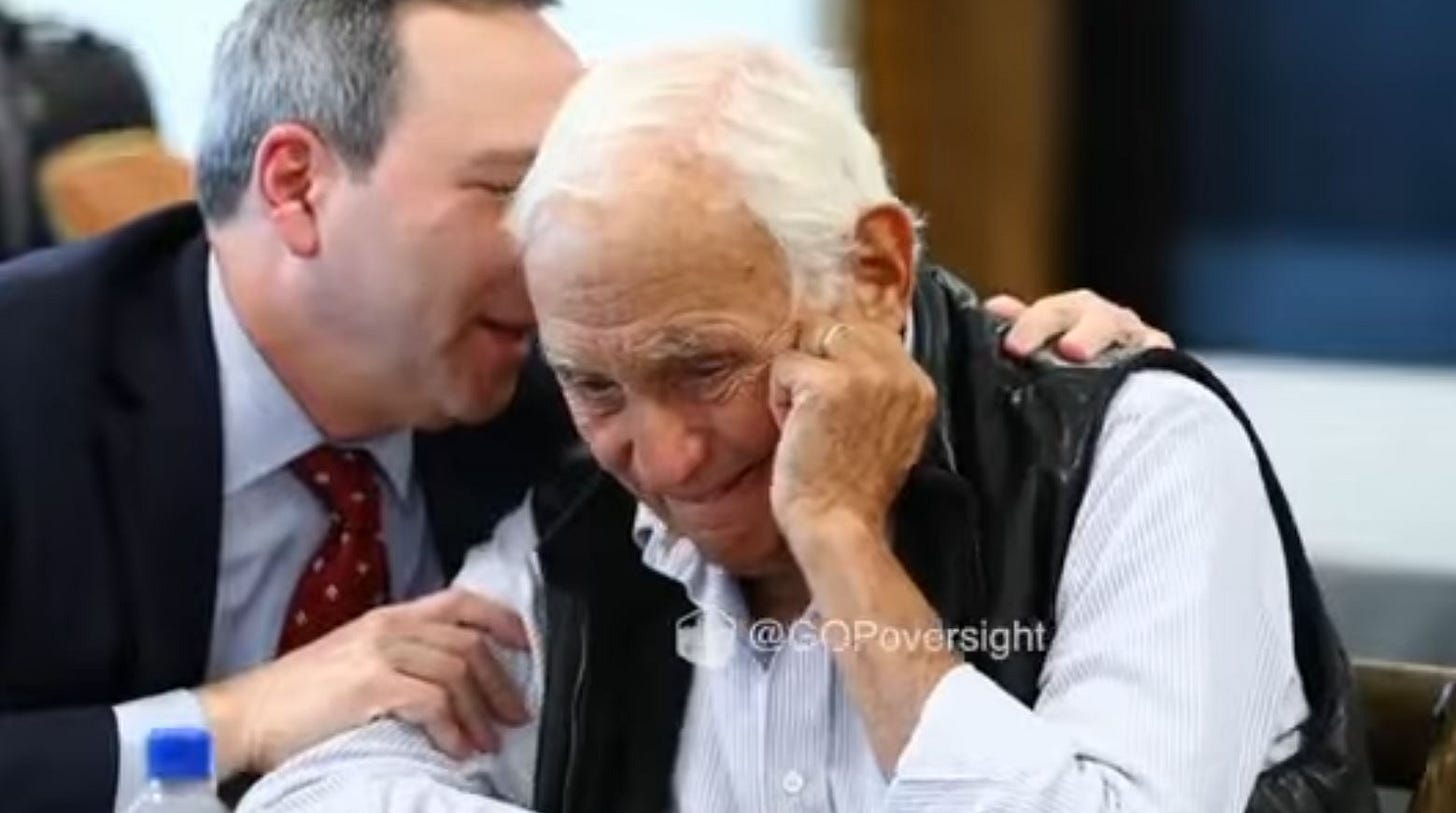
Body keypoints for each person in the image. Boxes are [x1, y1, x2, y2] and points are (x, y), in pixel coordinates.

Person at [0, 0, 1171, 812]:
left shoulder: (582, 397)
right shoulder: (29, 372)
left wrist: (988, 350)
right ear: (300, 188)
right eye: (513, 192)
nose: (562, 252)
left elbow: (768, 293)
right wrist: (232, 721)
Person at [240, 42, 1375, 813]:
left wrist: (841, 541)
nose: (668, 458)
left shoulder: (1131, 452)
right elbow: (326, 779)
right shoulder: (591, 503)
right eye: (595, 387)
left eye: (707, 366)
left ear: (874, 272)